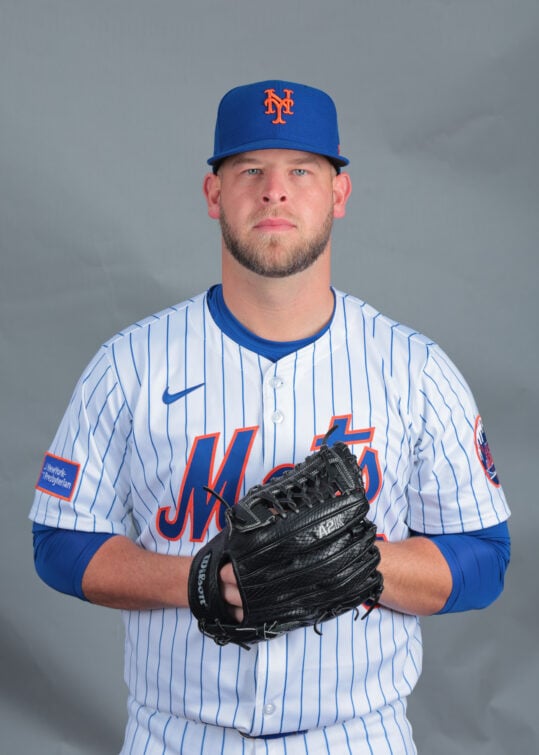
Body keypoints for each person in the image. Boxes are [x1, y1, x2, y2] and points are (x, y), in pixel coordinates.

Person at [30, 80, 511, 754]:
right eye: (250, 169)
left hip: (357, 738)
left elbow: (485, 556)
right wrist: (196, 578)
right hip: (178, 738)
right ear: (213, 194)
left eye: (302, 171)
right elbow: (59, 542)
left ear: (338, 195)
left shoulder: (413, 369)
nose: (274, 191)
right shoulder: (130, 365)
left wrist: (361, 563)